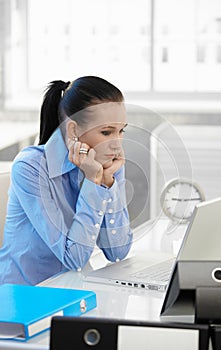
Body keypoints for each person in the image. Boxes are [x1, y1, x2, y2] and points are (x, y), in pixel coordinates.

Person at [0, 76, 133, 285]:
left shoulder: (108, 162)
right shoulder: (30, 167)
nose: (117, 144)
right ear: (73, 130)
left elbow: (117, 252)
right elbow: (74, 259)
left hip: (73, 288)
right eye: (106, 132)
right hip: (28, 295)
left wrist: (108, 184)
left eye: (121, 131)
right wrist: (93, 182)